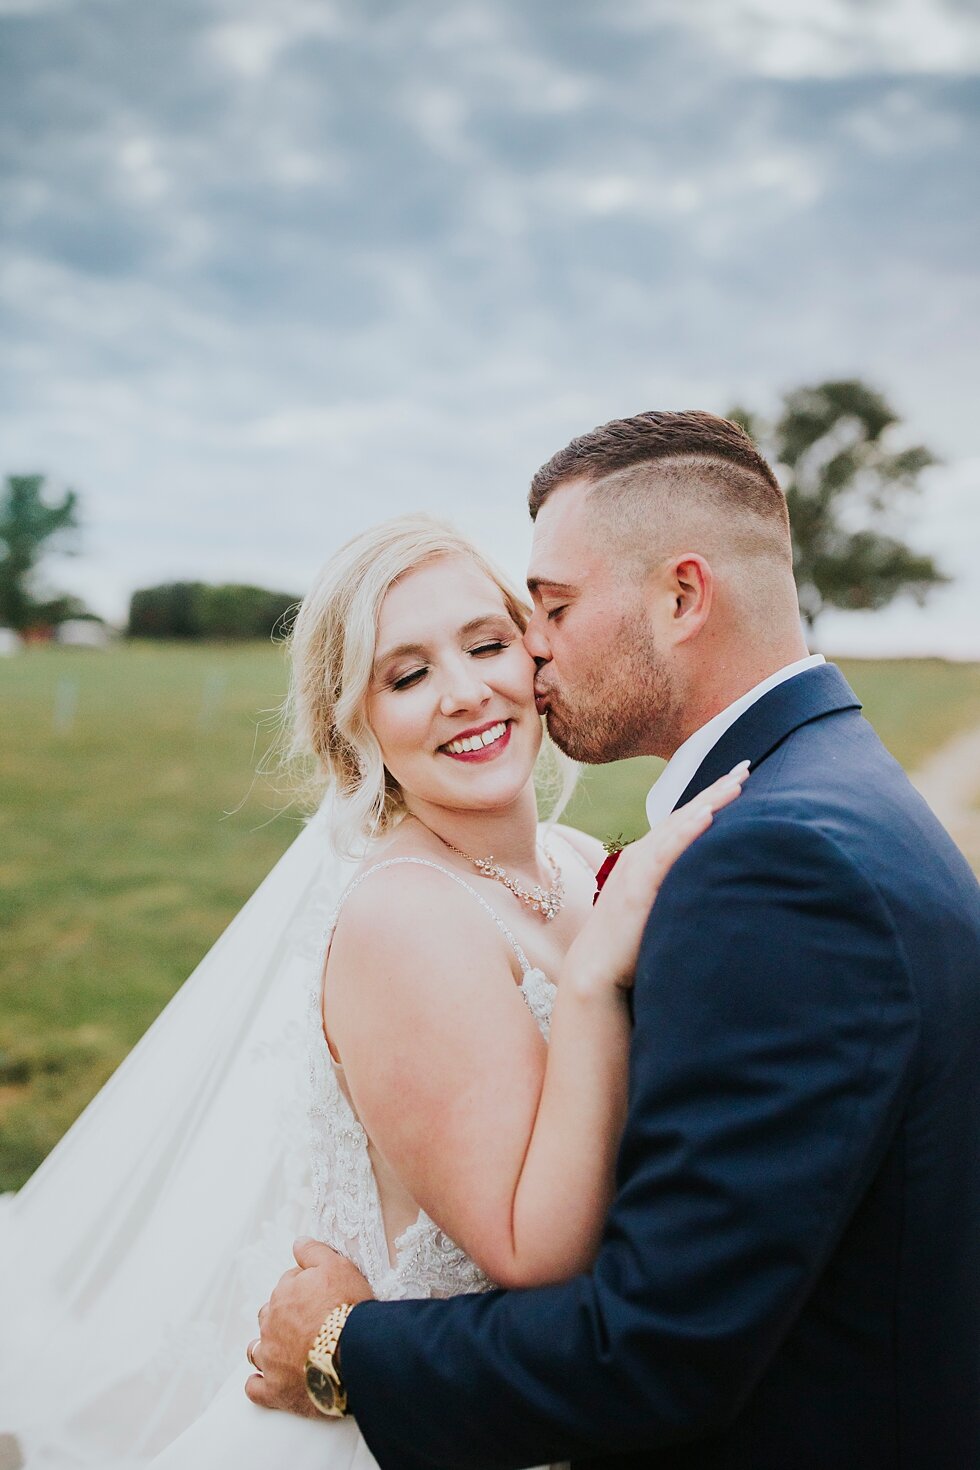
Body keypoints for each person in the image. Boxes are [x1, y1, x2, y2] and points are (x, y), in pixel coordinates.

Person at [251, 410, 980, 1470]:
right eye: (403, 674)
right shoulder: (832, 795)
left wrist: (342, 1347)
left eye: (533, 617)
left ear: (680, 596)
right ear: (351, 721)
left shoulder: (752, 860)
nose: (524, 657)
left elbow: (655, 1345)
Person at [0, 513, 744, 1469]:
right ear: (353, 725)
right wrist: (599, 979)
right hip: (411, 1428)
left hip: (537, 1406)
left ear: (534, 653)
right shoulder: (406, 914)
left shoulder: (579, 862)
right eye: (407, 675)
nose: (465, 693)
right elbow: (530, 1252)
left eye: (486, 644)